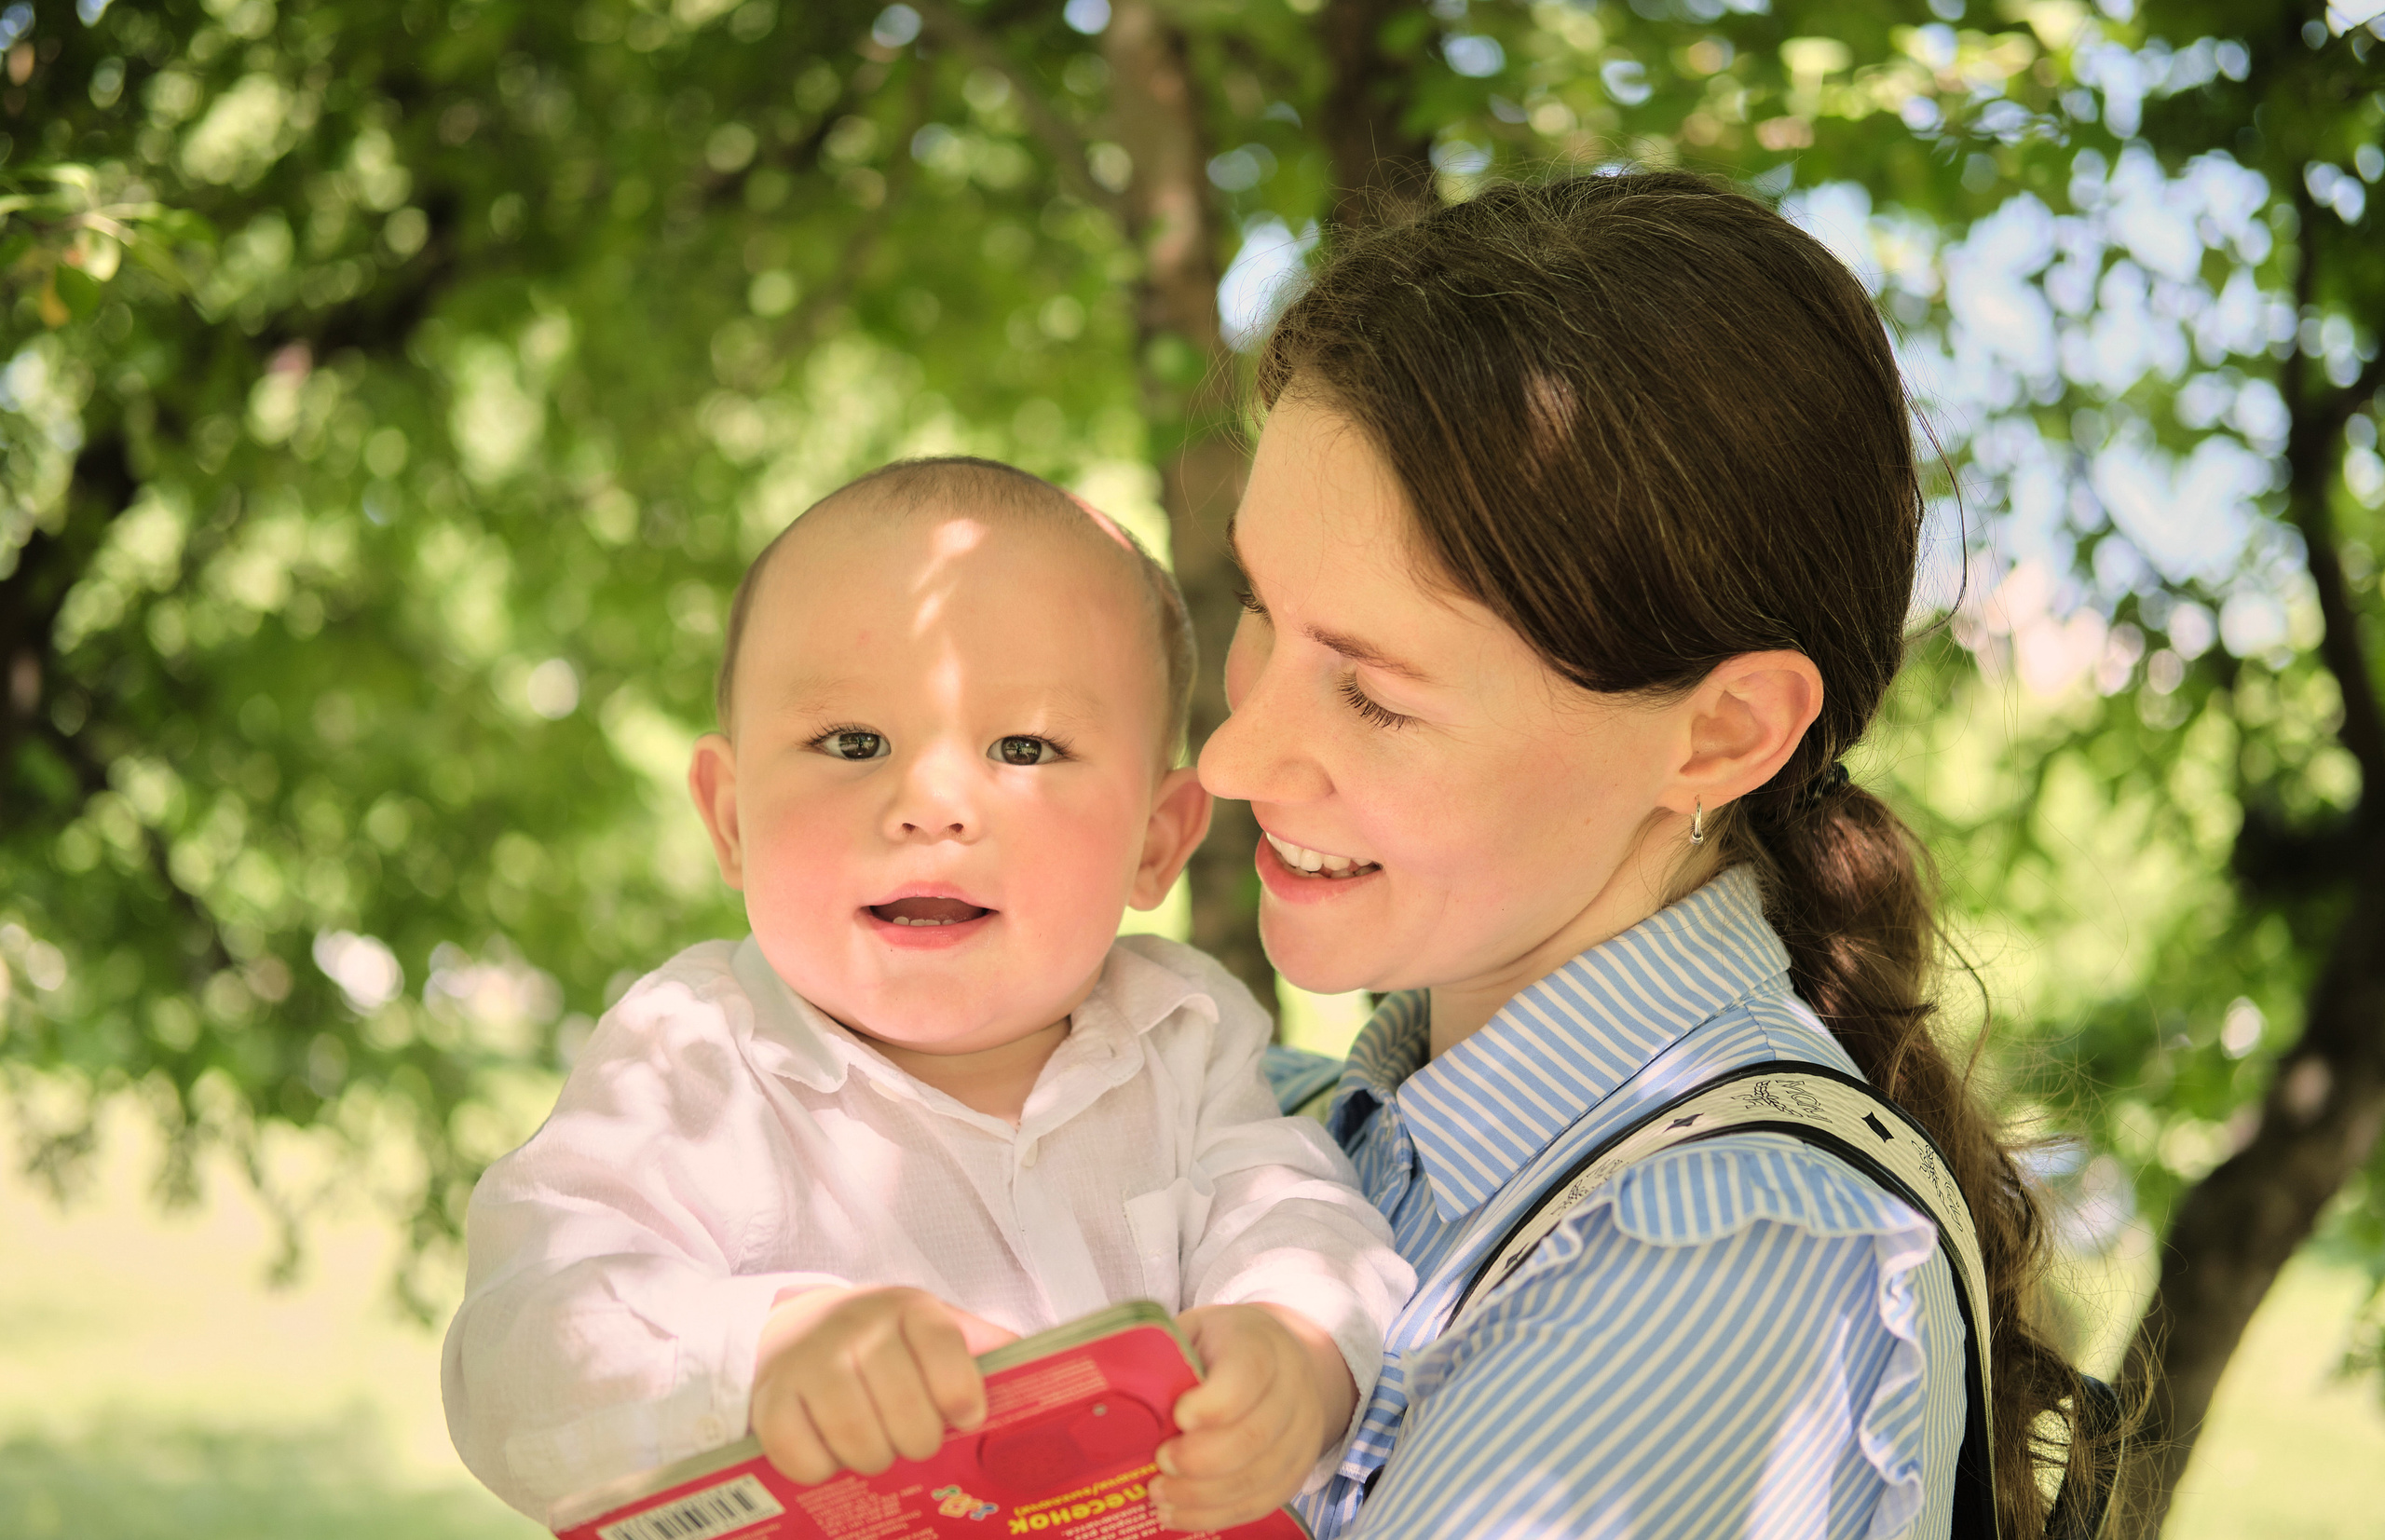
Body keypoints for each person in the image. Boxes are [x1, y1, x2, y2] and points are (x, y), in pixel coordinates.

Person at [1201, 172, 2097, 1539]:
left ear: (1723, 733)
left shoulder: (1725, 1257)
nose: (1230, 759)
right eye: (1258, 609)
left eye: (1376, 691)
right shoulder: (1287, 1125)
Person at [442, 457, 1412, 1531]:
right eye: (852, 743)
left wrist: (1295, 1344)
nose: (931, 804)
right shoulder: (695, 1062)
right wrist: (762, 1350)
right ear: (728, 818)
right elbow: (515, 1356)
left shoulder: (1181, 1040)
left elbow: (1296, 1210)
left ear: (1157, 839)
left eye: (1024, 747)